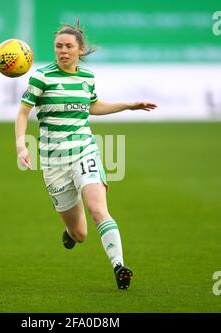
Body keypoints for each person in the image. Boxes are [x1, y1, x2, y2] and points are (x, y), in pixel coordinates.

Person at [15, 22, 157, 290]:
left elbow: (92, 106)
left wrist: (128, 105)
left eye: (69, 46)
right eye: (59, 46)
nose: (63, 51)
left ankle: (119, 266)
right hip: (53, 162)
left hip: (84, 150)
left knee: (97, 208)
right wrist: (22, 145)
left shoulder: (87, 77)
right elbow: (23, 113)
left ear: (80, 49)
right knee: (80, 233)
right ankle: (69, 233)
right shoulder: (41, 77)